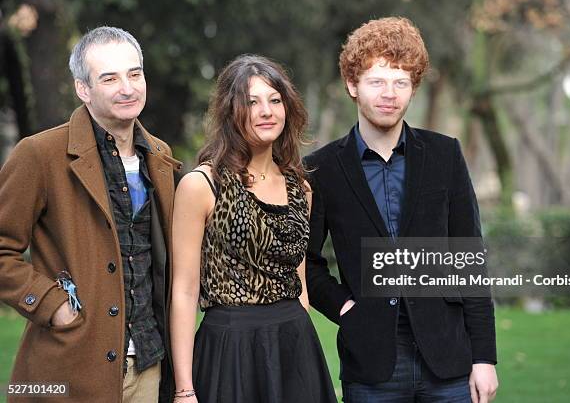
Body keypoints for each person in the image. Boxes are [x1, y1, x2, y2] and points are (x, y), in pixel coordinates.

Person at [305, 17, 499, 402]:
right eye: (377, 81)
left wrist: (484, 358)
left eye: (401, 82)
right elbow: (306, 262)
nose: (389, 93)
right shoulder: (321, 169)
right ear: (353, 86)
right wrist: (344, 307)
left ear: (413, 89)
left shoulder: (445, 155)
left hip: (447, 360)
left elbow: (469, 258)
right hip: (371, 364)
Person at [0, 26, 181, 402]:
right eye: (109, 78)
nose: (127, 88)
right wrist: (52, 305)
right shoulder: (39, 154)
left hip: (149, 366)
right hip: (70, 366)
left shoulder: (161, 157)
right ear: (83, 89)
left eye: (134, 74)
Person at [169, 54, 336, 403]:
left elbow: (299, 282)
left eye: (275, 100)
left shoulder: (300, 187)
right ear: (231, 112)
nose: (266, 111)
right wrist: (184, 390)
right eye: (252, 102)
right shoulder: (201, 185)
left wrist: (298, 334)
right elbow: (184, 292)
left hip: (294, 346)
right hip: (231, 346)